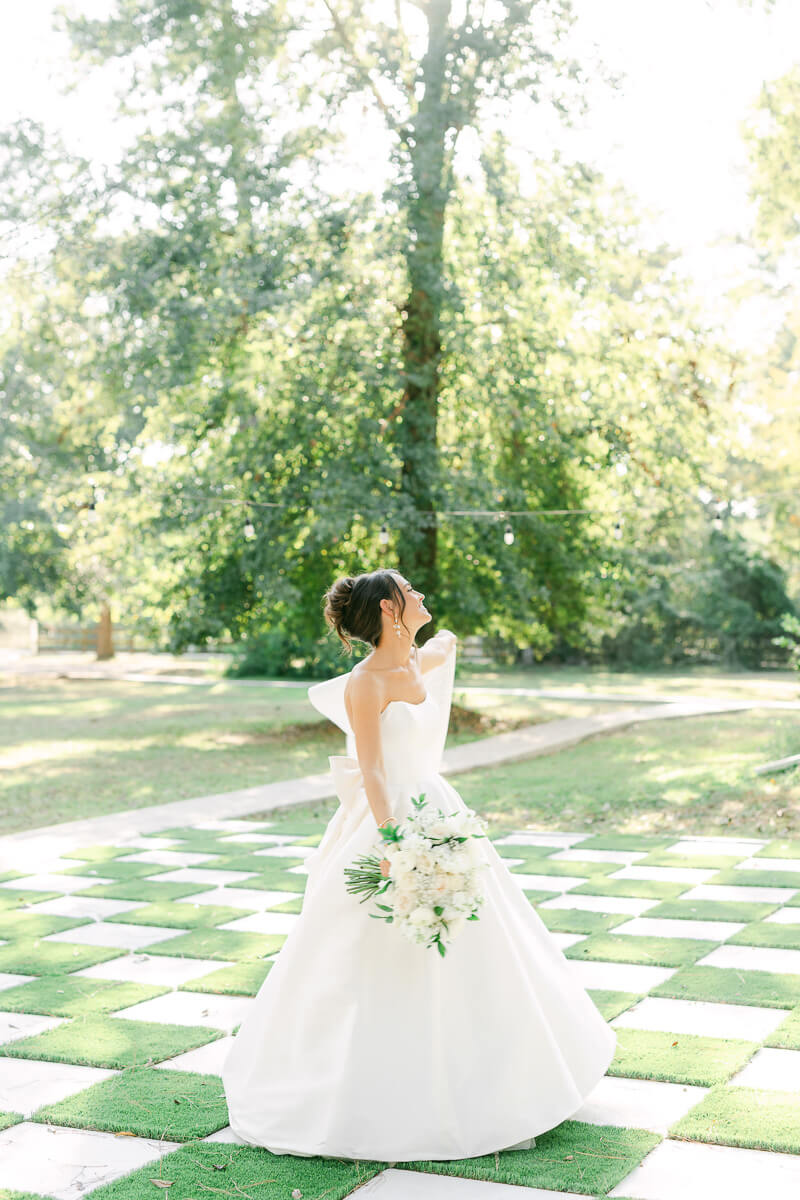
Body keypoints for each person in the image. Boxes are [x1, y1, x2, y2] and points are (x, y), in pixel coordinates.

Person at [221, 567, 617, 1161]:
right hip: (391, 821)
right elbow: (374, 770)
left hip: (439, 808)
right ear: (388, 608)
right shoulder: (364, 684)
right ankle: (359, 1092)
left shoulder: (410, 666)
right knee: (367, 950)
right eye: (410, 591)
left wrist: (439, 645)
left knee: (479, 938)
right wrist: (395, 843)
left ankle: (491, 1081)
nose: (422, 595)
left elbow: (437, 651)